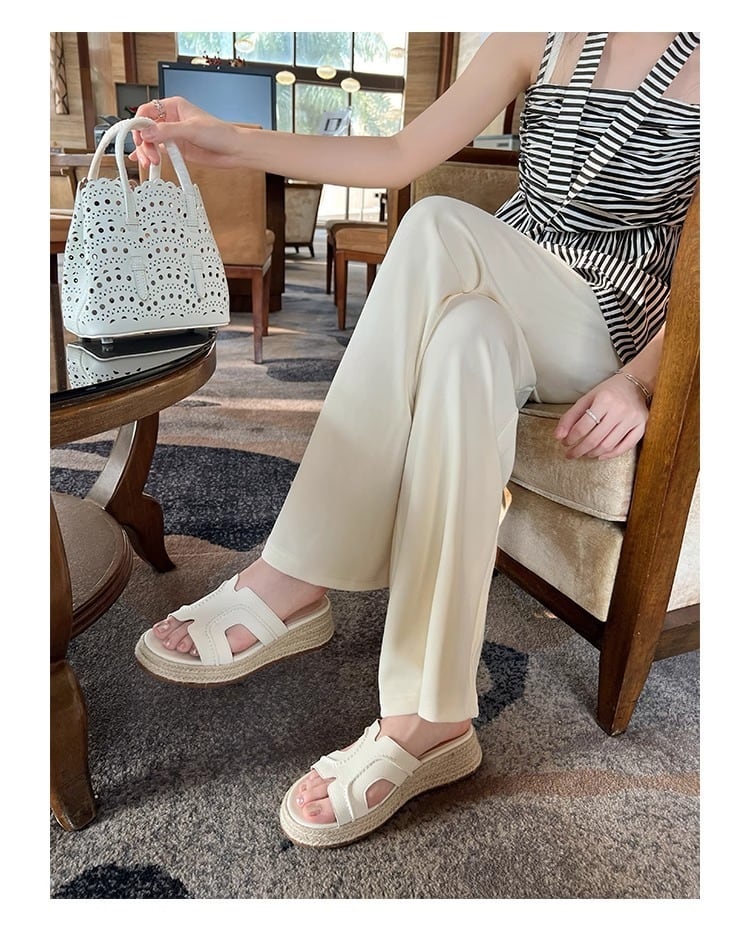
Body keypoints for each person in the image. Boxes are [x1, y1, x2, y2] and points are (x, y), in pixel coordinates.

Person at [130, 32, 700, 848]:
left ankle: (294, 574)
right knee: (465, 338)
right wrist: (225, 138)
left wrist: (644, 380)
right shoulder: (538, 33)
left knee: (433, 224)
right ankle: (431, 718)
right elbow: (400, 152)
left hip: (607, 323)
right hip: (502, 289)